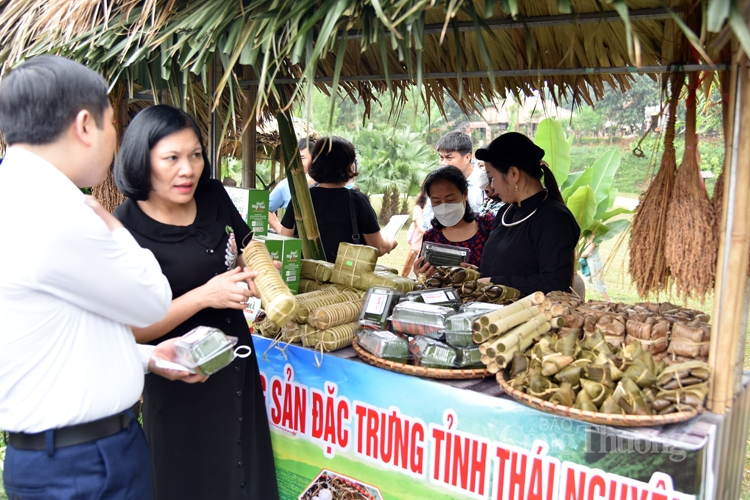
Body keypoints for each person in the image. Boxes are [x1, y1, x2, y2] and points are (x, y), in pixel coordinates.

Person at [0, 56, 206, 500]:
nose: (115, 137)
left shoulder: (14, 194)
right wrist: (118, 232)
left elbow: (54, 335)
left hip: (57, 457)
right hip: (86, 465)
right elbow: (152, 300)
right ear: (84, 125)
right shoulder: (56, 212)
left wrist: (146, 357)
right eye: (113, 122)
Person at [113, 105, 278, 500]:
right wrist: (206, 295)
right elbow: (131, 331)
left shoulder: (212, 194)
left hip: (235, 367)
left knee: (246, 478)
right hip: (181, 382)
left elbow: (244, 249)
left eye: (195, 155)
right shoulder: (125, 228)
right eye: (171, 158)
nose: (188, 169)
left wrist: (256, 272)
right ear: (142, 161)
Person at [477, 132, 580, 296]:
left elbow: (555, 282)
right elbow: (508, 267)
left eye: (492, 177)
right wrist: (477, 274)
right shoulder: (506, 212)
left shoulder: (553, 218)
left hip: (530, 317)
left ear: (513, 174)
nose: (492, 186)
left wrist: (494, 283)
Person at [279, 136, 397, 263]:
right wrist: (392, 241)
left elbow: (285, 239)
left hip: (308, 277)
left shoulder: (301, 199)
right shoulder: (357, 201)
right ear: (350, 166)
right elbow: (378, 248)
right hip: (345, 278)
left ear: (315, 163)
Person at [413, 166, 494, 277]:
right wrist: (421, 274)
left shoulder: (487, 224)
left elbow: (506, 268)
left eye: (450, 200)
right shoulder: (431, 237)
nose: (444, 206)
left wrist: (479, 275)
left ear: (465, 194)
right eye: (436, 201)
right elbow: (425, 277)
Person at [422, 132, 485, 230]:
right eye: (441, 158)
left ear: (467, 157)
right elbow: (428, 217)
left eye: (449, 157)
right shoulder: (437, 183)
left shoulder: (484, 183)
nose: (443, 163)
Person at [267, 137, 315, 233]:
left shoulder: (326, 184)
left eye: (301, 158)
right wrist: (280, 230)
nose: (297, 163)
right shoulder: (287, 184)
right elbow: (265, 209)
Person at [402, 190, 427, 276]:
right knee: (408, 275)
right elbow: (421, 227)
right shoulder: (419, 208)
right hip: (417, 248)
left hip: (426, 250)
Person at [580, 236, 612, 301]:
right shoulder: (587, 237)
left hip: (594, 263)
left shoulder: (595, 239)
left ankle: (608, 299)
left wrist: (577, 254)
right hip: (587, 263)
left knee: (598, 282)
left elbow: (587, 253)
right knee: (584, 281)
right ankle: (581, 298)